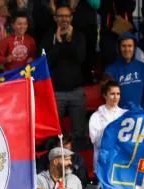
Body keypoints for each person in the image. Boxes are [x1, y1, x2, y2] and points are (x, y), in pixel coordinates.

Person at [42, 4, 88, 150]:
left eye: (67, 16)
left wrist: (69, 39)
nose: (64, 19)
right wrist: (58, 42)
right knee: (53, 131)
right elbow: (46, 62)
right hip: (56, 92)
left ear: (71, 18)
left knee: (79, 132)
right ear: (55, 18)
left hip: (76, 91)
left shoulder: (79, 36)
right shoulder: (48, 36)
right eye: (60, 16)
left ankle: (78, 164)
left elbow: (80, 58)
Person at [104, 33, 144, 110]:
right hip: (118, 116)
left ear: (134, 48)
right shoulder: (110, 70)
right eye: (123, 46)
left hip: (139, 115)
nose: (127, 49)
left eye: (130, 46)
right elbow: (108, 96)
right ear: (119, 48)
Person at [88, 79, 127, 151]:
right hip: (103, 159)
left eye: (118, 94)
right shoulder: (96, 117)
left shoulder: (125, 114)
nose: (116, 97)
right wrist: (110, 128)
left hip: (121, 159)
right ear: (105, 95)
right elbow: (97, 143)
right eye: (112, 94)